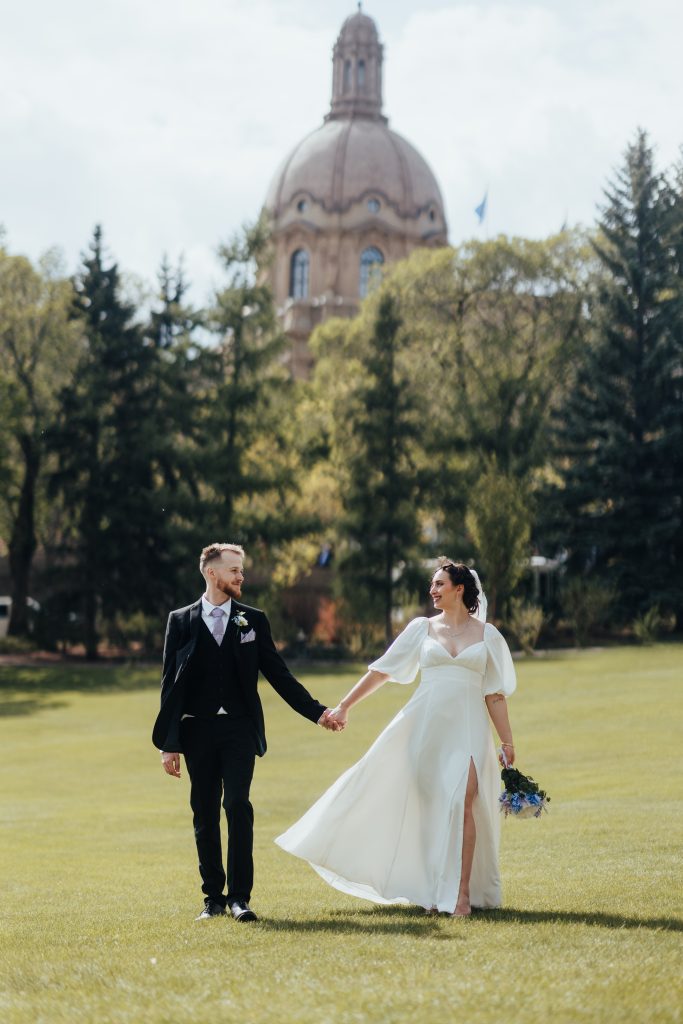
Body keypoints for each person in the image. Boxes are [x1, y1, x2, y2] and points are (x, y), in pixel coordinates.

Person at [276, 560, 516, 916]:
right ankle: (433, 891)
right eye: (432, 585)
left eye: (439, 584)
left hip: (467, 729)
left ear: (459, 588)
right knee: (430, 809)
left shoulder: (487, 635)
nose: (432, 591)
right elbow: (383, 670)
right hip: (423, 728)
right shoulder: (422, 629)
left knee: (463, 803)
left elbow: (494, 694)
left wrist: (507, 742)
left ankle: (462, 895)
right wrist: (344, 706)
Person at [152, 542, 340, 923]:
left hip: (239, 729)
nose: (242, 576)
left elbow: (279, 675)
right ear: (212, 573)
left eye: (241, 570)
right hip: (196, 731)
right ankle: (213, 899)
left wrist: (318, 712)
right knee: (204, 813)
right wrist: (169, 744)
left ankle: (240, 897)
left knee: (237, 805)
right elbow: (170, 686)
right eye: (234, 570)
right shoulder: (181, 620)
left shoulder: (253, 620)